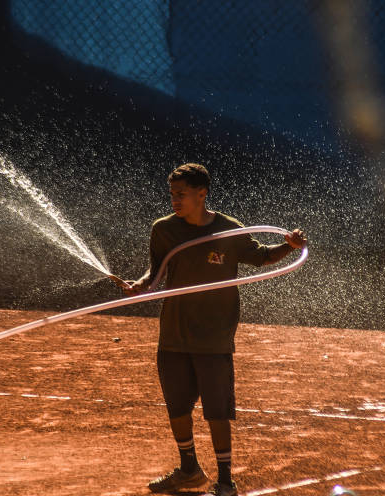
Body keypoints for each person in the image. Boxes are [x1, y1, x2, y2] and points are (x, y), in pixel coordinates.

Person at [119, 163, 307, 496]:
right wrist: (141, 284)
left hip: (214, 335)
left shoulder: (229, 230)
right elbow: (158, 270)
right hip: (174, 333)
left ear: (201, 194)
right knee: (177, 408)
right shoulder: (163, 230)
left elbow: (261, 258)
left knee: (217, 411)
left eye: (182, 194)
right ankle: (189, 470)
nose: (175, 200)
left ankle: (224, 482)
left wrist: (289, 247)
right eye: (172, 194)